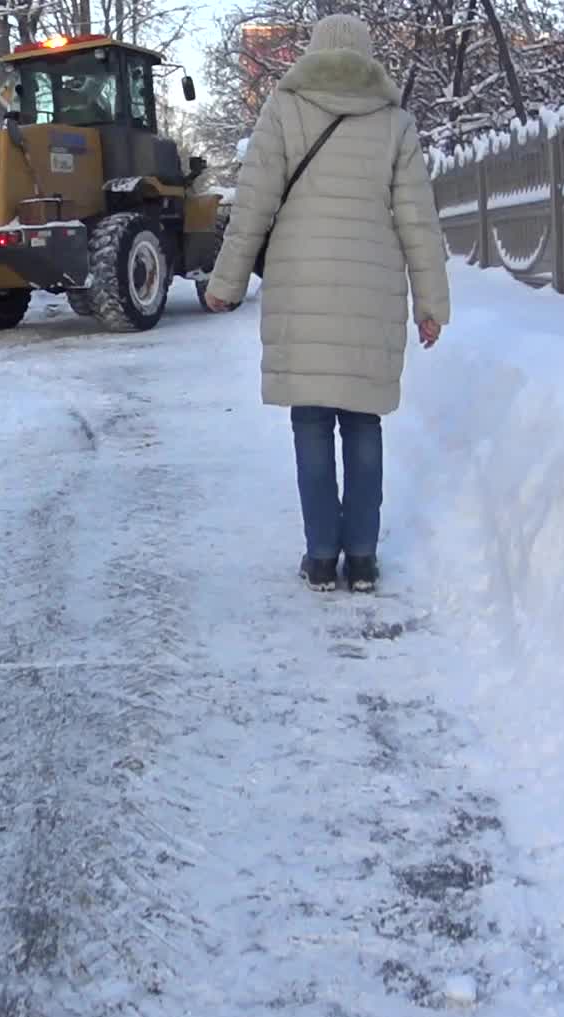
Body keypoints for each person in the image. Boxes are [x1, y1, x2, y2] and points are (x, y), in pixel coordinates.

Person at [203, 13, 450, 595]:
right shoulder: (395, 122)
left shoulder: (283, 109)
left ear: (311, 54)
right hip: (371, 287)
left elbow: (253, 208)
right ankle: (361, 558)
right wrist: (430, 304)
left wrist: (226, 282)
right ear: (368, 57)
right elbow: (419, 220)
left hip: (301, 284)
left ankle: (320, 557)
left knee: (311, 422)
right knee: (363, 422)